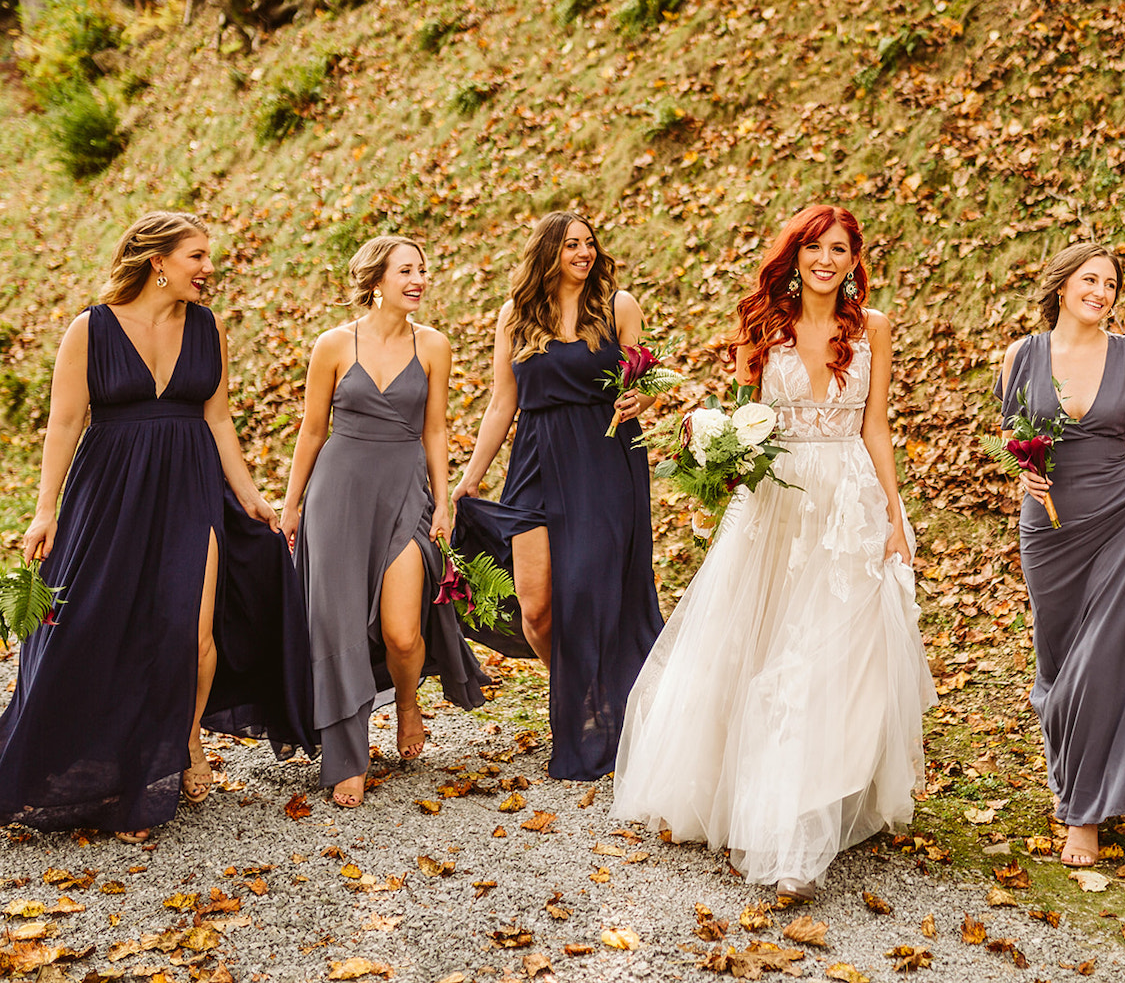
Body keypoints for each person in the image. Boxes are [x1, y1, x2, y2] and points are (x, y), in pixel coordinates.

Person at [610, 204, 936, 901]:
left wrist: (894, 518)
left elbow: (876, 428)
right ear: (794, 255)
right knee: (762, 652)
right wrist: (716, 450)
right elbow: (736, 421)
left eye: (840, 249)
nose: (826, 259)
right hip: (777, 502)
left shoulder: (872, 329)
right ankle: (765, 811)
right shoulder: (763, 328)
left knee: (833, 660)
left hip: (848, 502)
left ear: (854, 261)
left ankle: (808, 812)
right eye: (815, 247)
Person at [0, 211, 316, 843]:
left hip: (192, 487)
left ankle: (184, 743)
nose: (208, 269)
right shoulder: (90, 329)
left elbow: (219, 419)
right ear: (159, 262)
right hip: (110, 492)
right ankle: (95, 760)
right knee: (100, 626)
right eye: (197, 256)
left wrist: (249, 494)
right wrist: (45, 509)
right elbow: (63, 424)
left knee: (192, 631)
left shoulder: (206, 327)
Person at [995, 243, 1125, 869]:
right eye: (1090, 280)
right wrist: (1023, 471)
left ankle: (1083, 813)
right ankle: (1075, 773)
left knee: (1100, 657)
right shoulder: (1022, 355)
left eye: (1111, 284)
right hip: (1049, 530)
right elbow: (1012, 431)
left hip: (1118, 517)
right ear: (1061, 285)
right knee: (1058, 665)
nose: (1101, 292)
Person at [451, 211, 662, 782]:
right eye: (571, 244)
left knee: (595, 598)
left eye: (590, 243)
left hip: (603, 459)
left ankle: (605, 716)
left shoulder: (619, 306)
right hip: (535, 463)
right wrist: (471, 478)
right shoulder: (515, 317)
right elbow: (502, 403)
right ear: (548, 251)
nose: (584, 253)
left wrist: (639, 401)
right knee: (537, 607)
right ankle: (581, 696)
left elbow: (640, 386)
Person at [280, 235, 488, 808]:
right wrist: (291, 503)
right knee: (338, 626)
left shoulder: (435, 346)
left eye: (423, 269)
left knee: (401, 630)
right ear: (376, 281)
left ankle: (407, 700)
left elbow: (436, 430)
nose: (419, 279)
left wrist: (443, 503)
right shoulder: (332, 345)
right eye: (406, 271)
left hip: (403, 495)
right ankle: (347, 755)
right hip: (336, 496)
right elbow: (312, 430)